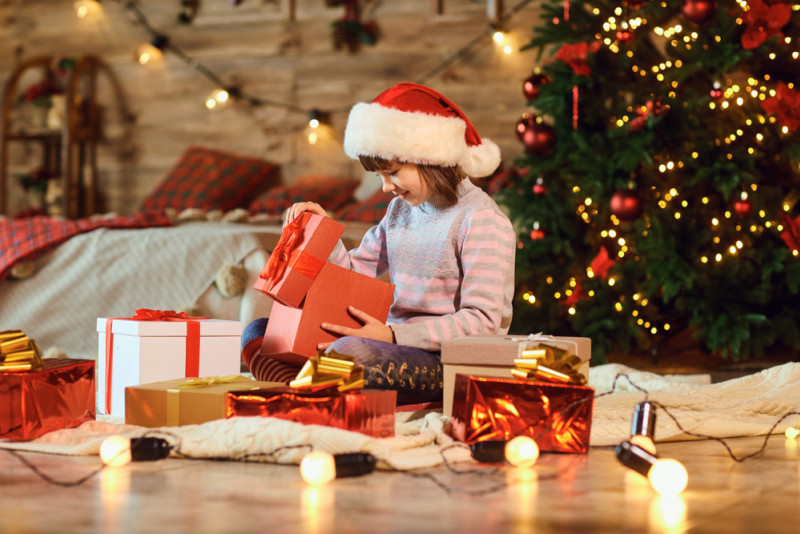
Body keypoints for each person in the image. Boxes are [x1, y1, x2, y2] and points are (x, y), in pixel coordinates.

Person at [242, 82, 516, 404]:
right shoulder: (400, 211)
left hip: (449, 362)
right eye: (380, 177)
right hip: (393, 345)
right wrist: (325, 231)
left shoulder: (480, 219)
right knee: (261, 331)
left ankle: (317, 390)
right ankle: (309, 392)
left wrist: (391, 335)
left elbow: (483, 322)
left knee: (350, 352)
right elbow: (355, 275)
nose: (386, 187)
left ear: (429, 158)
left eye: (393, 172)